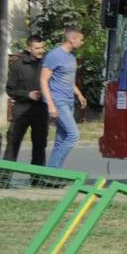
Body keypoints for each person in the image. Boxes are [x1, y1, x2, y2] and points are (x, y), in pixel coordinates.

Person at [2, 35, 49, 178]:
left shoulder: (47, 63)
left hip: (40, 109)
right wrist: (28, 95)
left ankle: (37, 179)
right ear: (29, 48)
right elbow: (10, 89)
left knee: (40, 145)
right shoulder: (18, 65)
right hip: (22, 109)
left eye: (42, 47)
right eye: (37, 48)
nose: (40, 51)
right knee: (13, 143)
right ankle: (4, 178)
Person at [41, 28, 87, 169]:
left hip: (68, 101)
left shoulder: (71, 57)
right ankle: (50, 172)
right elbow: (43, 80)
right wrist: (51, 105)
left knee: (61, 140)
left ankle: (53, 174)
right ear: (72, 40)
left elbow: (68, 80)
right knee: (73, 135)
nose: (82, 42)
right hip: (58, 101)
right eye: (80, 39)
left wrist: (79, 94)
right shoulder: (54, 56)